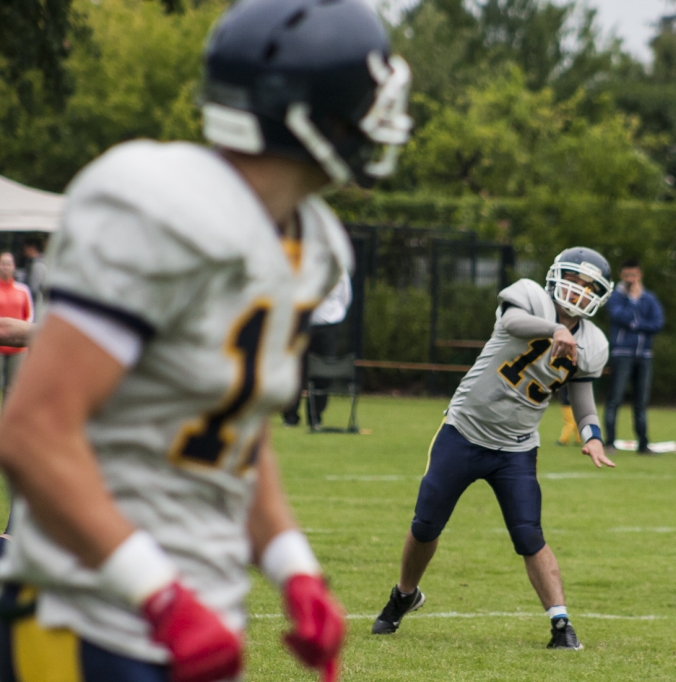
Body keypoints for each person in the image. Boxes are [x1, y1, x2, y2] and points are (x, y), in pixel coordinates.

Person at [0, 0, 413, 679]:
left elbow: (237, 429)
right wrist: (158, 596)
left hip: (199, 614)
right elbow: (34, 433)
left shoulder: (314, 243)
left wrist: (293, 568)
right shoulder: (156, 203)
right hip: (82, 617)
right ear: (308, 108)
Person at [371, 247, 616, 649]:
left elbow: (583, 395)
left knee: (528, 533)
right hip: (464, 431)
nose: (578, 289)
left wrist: (591, 436)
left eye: (589, 286)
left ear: (601, 295)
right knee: (426, 524)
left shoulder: (594, 343)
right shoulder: (530, 297)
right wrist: (554, 329)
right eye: (573, 279)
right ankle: (404, 595)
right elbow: (515, 322)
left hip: (516, 447)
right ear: (557, 276)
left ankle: (561, 626)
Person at [604, 258, 664, 454]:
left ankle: (643, 444)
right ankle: (610, 442)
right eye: (627, 275)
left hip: (644, 355)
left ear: (640, 275)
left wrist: (636, 325)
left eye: (634, 275)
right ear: (622, 275)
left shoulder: (649, 298)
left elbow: (657, 324)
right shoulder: (616, 297)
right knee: (615, 398)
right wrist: (632, 301)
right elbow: (619, 316)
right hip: (622, 354)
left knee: (641, 402)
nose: (631, 278)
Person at [282, 273, 353, 427]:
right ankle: (290, 416)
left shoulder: (338, 269)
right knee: (295, 371)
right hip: (300, 325)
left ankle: (315, 417)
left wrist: (334, 317)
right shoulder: (301, 262)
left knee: (323, 373)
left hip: (328, 326)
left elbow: (345, 297)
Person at [0, 252, 33, 400]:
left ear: (14, 266)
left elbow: (30, 315)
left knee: (13, 389)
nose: (6, 267)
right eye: (3, 263)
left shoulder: (23, 289)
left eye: (9, 263)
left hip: (17, 347)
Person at [21, 238, 48, 313]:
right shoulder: (32, 263)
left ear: (32, 248)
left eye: (25, 249)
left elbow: (34, 288)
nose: (24, 252)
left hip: (35, 305)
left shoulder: (38, 265)